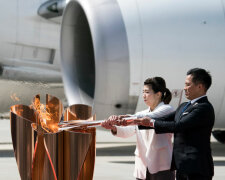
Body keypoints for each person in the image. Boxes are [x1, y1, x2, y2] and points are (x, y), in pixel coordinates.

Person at [135, 68, 215, 180]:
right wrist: (134, 121)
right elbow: (163, 119)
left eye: (188, 84)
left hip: (197, 168)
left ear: (200, 86)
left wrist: (151, 122)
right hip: (181, 166)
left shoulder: (204, 108)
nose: (184, 88)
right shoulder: (184, 106)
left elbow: (179, 126)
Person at [101, 77, 175, 180]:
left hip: (162, 166)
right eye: (143, 92)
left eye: (147, 92)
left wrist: (121, 118)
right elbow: (128, 131)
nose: (144, 95)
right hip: (142, 166)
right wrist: (113, 127)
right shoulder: (142, 113)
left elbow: (149, 117)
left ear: (158, 94)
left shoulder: (167, 110)